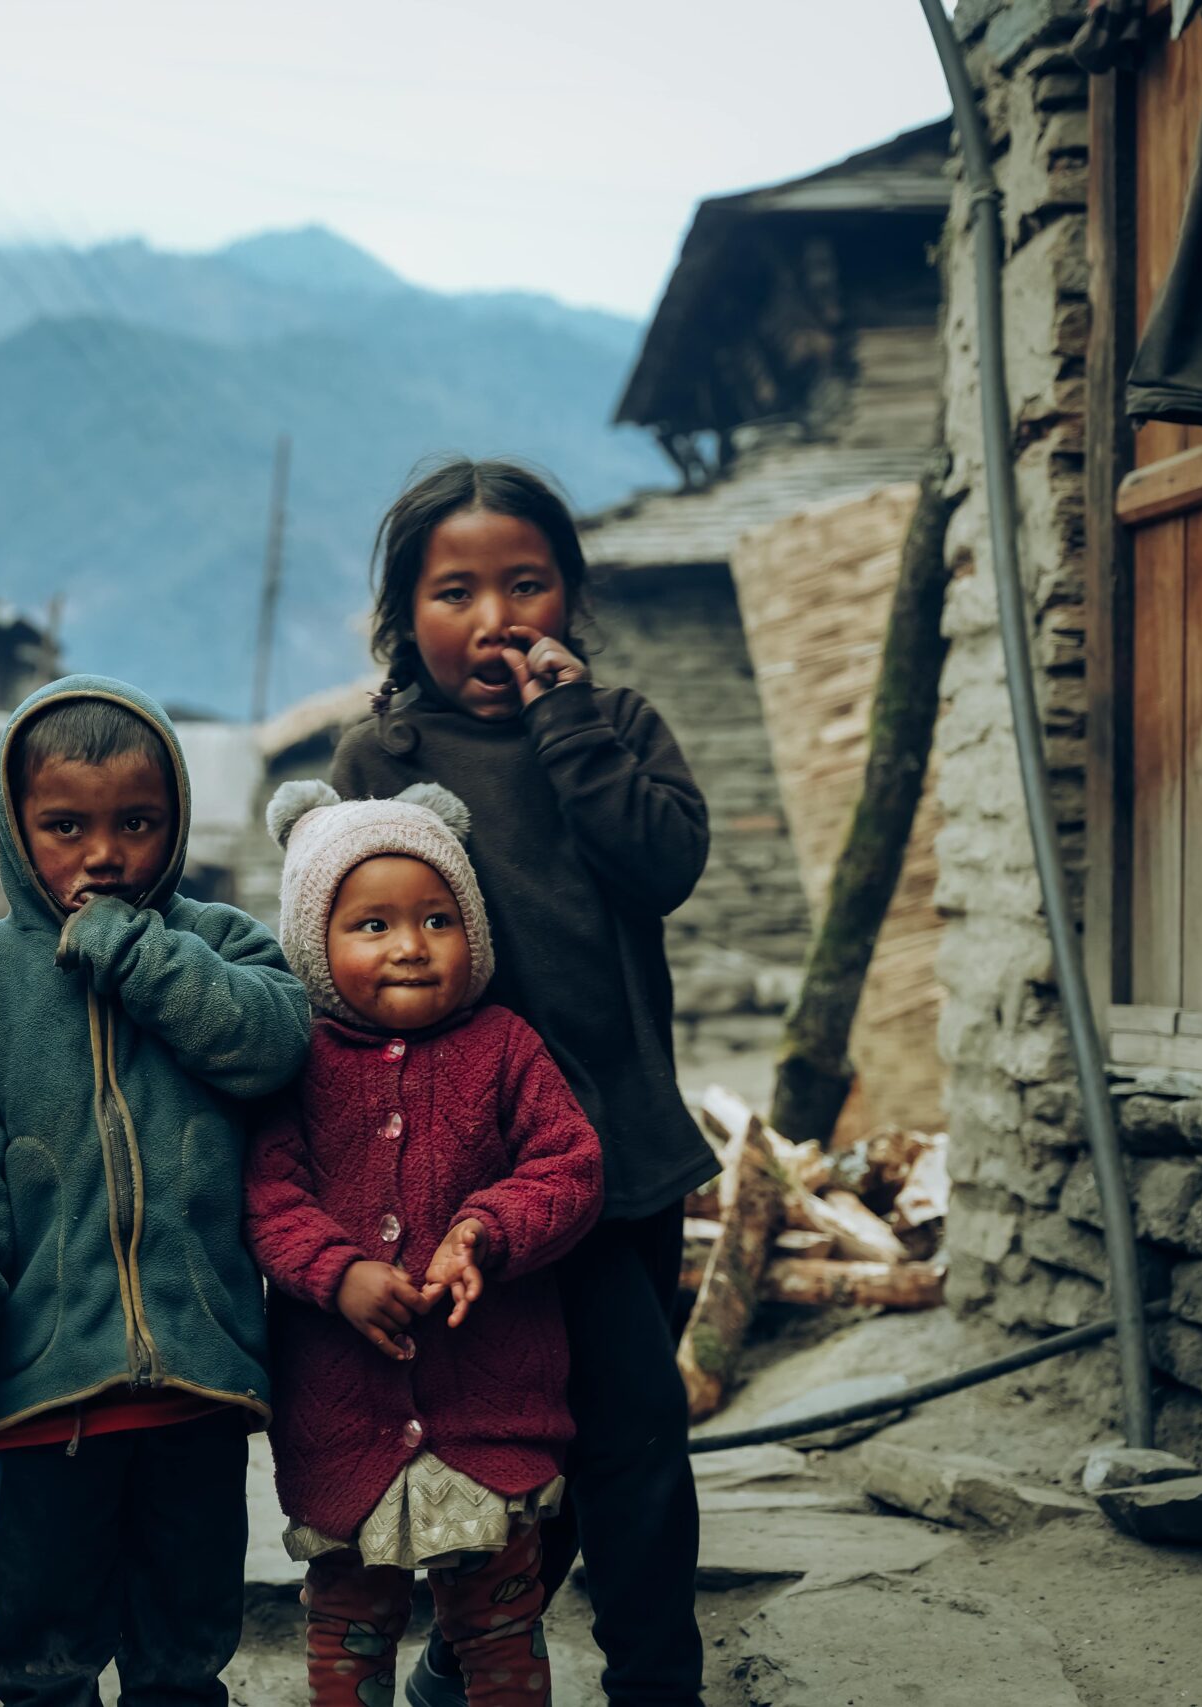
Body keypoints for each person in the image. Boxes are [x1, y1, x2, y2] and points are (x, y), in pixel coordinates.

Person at [330, 459, 714, 1707]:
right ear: (404, 617)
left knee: (635, 1439)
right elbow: (331, 957)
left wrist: (566, 724)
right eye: (455, 590)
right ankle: (468, 1652)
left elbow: (657, 866)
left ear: (569, 599)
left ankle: (656, 1681)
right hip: (454, 1183)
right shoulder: (375, 763)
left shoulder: (618, 730)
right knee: (496, 1442)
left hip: (611, 1161)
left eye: (525, 585)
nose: (494, 615)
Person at [0, 675, 314, 1707]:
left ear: (172, 820)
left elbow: (270, 1044)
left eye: (136, 822)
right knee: (42, 1640)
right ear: (15, 825)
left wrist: (135, 948)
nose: (103, 854)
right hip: (51, 1386)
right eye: (64, 825)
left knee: (184, 1639)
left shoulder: (218, 943)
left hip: (199, 1377)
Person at [246, 781, 602, 1707]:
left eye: (438, 918)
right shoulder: (298, 1059)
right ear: (314, 947)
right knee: (347, 1628)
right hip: (343, 1416)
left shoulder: (506, 1047)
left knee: (499, 1631)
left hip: (489, 1417)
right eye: (371, 924)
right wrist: (339, 1272)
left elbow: (570, 1165)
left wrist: (484, 1231)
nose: (410, 944)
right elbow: (267, 1194)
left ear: (473, 933)